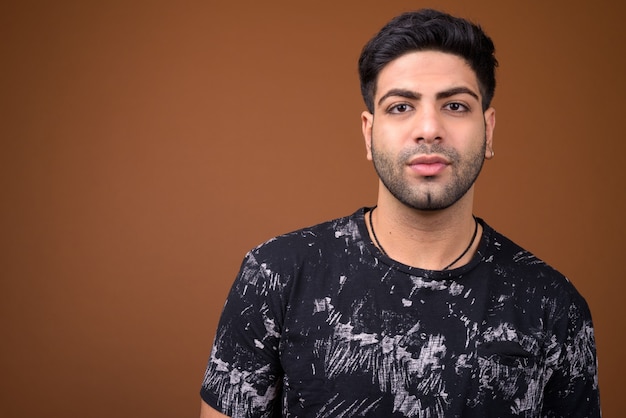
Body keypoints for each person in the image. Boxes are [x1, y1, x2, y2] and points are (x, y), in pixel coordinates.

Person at [199, 9, 600, 417]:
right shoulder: (275, 275)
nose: (429, 128)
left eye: (456, 106)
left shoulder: (553, 304)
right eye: (400, 107)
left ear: (489, 129)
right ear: (368, 133)